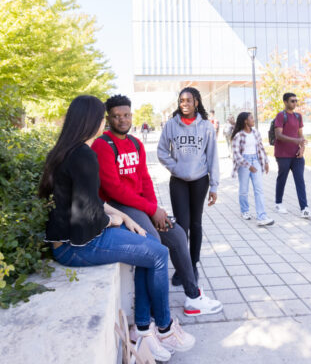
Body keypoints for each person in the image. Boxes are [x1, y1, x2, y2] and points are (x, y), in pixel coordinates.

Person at [39, 95, 195, 361]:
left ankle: (143, 331)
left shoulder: (70, 151)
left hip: (70, 240)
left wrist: (125, 216)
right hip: (75, 246)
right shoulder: (85, 155)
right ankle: (164, 328)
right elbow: (85, 218)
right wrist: (116, 220)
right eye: (103, 117)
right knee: (157, 254)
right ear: (93, 121)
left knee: (150, 248)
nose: (105, 122)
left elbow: (93, 200)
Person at [91, 95, 222, 316]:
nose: (122, 120)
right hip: (117, 207)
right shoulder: (103, 145)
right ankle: (152, 311)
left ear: (131, 115)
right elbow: (114, 189)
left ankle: (193, 297)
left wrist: (154, 209)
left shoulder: (135, 143)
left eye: (126, 115)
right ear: (108, 118)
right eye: (116, 116)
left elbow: (144, 180)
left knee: (178, 235)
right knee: (155, 243)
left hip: (139, 205)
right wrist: (152, 211)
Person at [157, 87, 219, 283]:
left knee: (195, 224)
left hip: (200, 181)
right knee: (181, 227)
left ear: (196, 103)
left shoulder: (206, 127)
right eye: (181, 100)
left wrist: (214, 186)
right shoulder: (171, 125)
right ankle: (180, 268)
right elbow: (161, 151)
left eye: (188, 100)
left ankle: (192, 265)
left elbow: (212, 157)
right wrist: (175, 168)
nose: (184, 104)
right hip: (178, 182)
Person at [274, 92, 311, 218]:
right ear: (285, 102)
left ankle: (304, 208)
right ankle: (278, 203)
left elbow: (300, 134)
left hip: (296, 155)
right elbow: (278, 135)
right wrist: (296, 141)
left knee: (300, 180)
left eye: (296, 101)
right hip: (282, 154)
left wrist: (302, 147)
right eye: (292, 101)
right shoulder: (281, 116)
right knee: (282, 178)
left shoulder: (298, 116)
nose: (295, 103)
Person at [231, 112, 273, 226]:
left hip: (256, 160)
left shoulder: (255, 133)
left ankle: (262, 216)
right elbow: (236, 154)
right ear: (245, 121)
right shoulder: (238, 135)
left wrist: (266, 162)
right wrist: (248, 166)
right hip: (244, 163)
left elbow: (261, 148)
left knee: (259, 189)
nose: (253, 120)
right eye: (251, 118)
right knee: (244, 190)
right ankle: (245, 211)